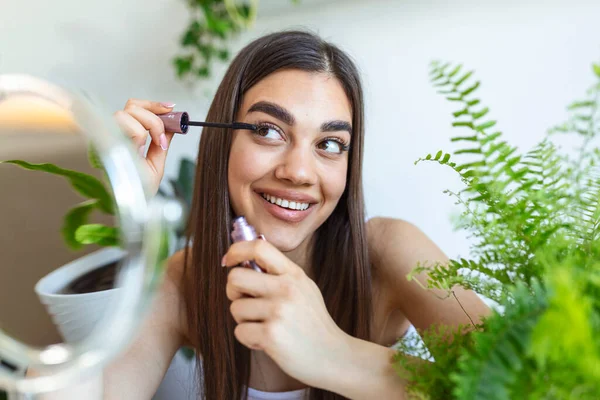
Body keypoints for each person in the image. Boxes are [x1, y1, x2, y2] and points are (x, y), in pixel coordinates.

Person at [41, 30, 491, 399]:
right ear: (223, 142)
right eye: (267, 131)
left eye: (329, 144)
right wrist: (125, 206)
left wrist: (335, 353)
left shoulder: (391, 252)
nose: (298, 172)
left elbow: (539, 387)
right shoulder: (185, 282)